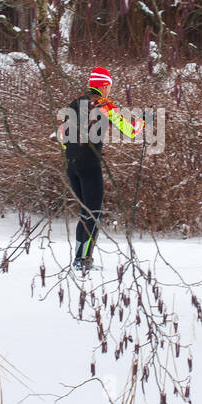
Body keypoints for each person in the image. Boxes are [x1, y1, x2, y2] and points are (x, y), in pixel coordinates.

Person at [56, 66, 143, 272]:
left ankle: (79, 258)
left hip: (72, 166)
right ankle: (83, 260)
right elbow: (130, 131)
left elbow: (60, 135)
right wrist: (143, 122)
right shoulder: (104, 106)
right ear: (104, 86)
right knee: (93, 214)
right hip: (90, 166)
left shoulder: (74, 104)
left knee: (85, 214)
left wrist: (73, 151)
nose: (110, 91)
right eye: (109, 87)